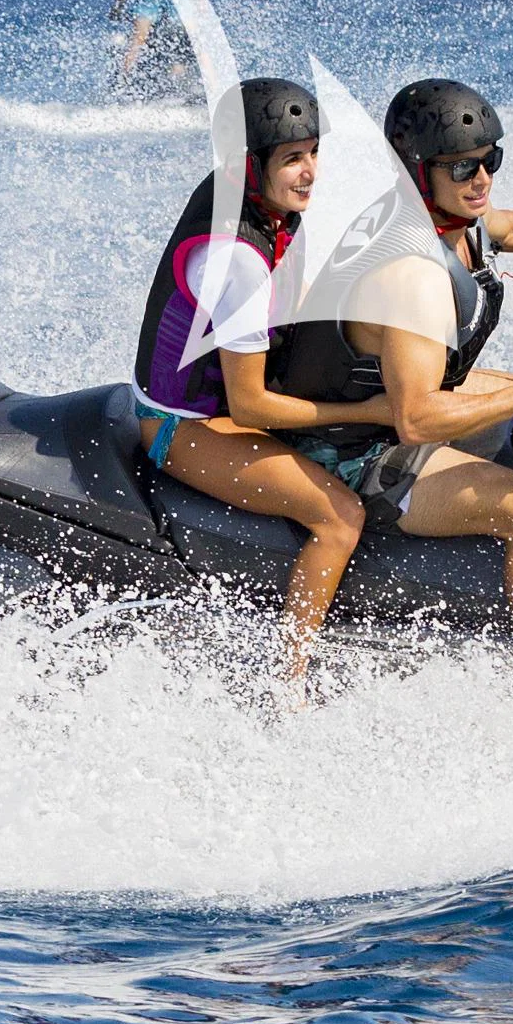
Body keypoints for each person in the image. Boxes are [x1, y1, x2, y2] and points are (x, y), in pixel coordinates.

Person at [267, 79, 513, 688]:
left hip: (393, 405)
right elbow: (417, 421)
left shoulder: (448, 218)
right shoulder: (410, 273)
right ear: (417, 169)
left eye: (490, 160)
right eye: (462, 167)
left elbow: (510, 228)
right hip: (353, 452)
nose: (481, 179)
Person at [129, 77, 387, 684]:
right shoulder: (237, 257)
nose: (310, 172)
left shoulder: (253, 201)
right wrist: (371, 412)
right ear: (251, 165)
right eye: (293, 159)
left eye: (314, 153)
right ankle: (289, 676)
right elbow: (249, 406)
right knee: (340, 515)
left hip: (221, 401)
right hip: (184, 426)